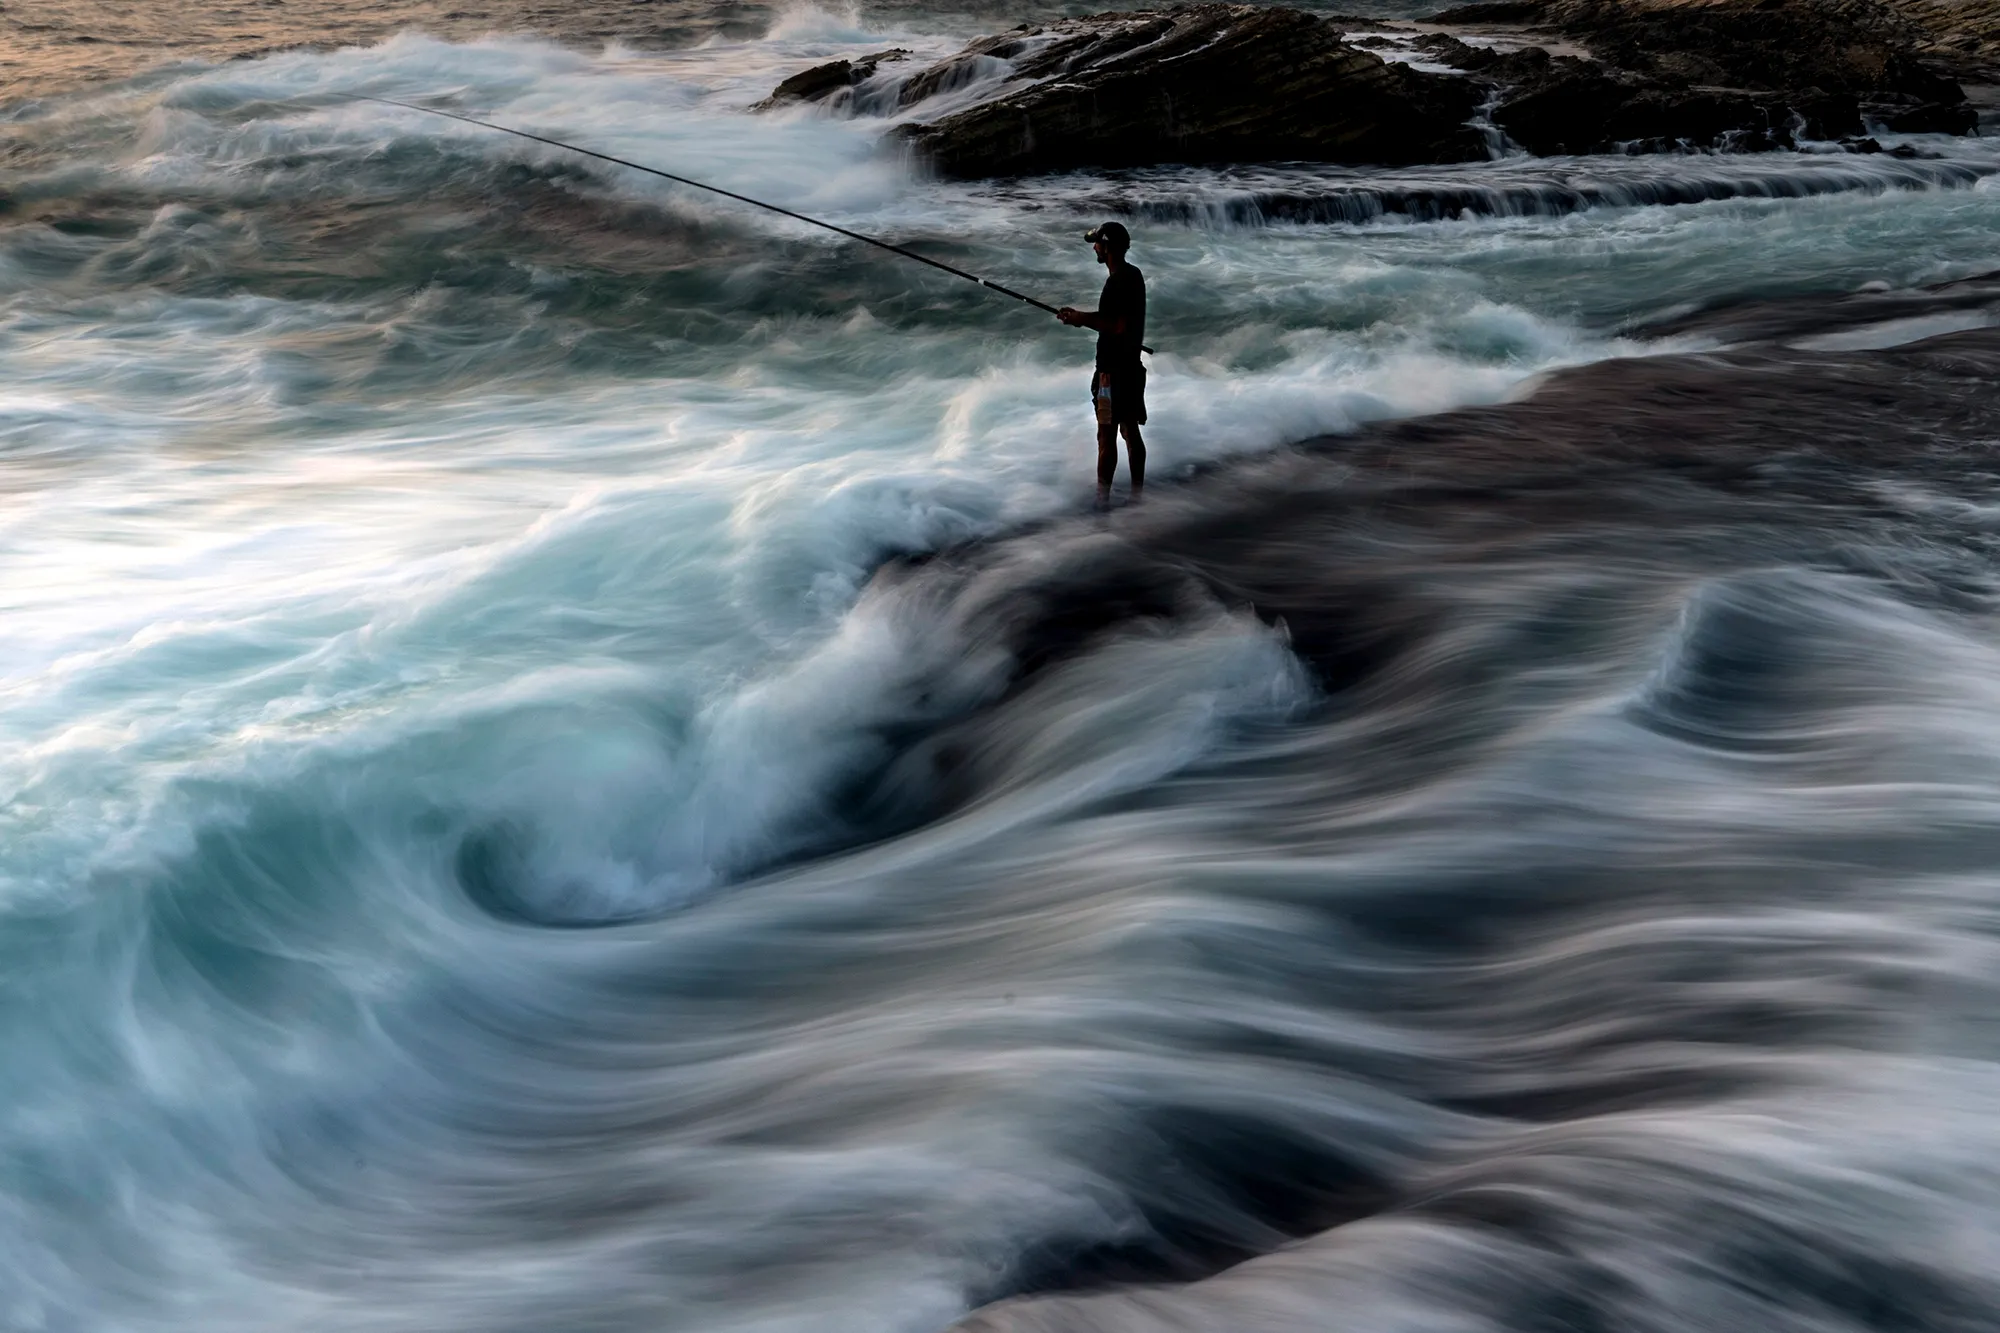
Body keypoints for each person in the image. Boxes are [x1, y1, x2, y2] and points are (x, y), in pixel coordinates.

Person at [1057, 221, 1146, 509]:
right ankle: (1137, 497)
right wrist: (1083, 318)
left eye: (1097, 243)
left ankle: (1102, 501)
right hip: (1132, 366)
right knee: (1130, 430)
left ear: (1108, 247)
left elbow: (1115, 324)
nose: (1094, 247)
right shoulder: (1134, 275)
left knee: (1106, 435)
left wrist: (1080, 318)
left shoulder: (1116, 281)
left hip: (1111, 373)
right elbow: (1124, 323)